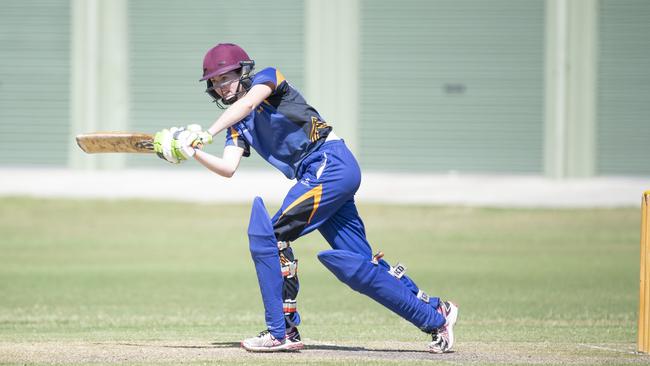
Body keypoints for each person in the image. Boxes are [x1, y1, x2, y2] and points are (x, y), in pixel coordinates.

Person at [153, 43, 458, 353]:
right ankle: (436, 315)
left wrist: (206, 133)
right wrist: (194, 152)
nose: (220, 87)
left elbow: (246, 106)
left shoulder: (269, 79)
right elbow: (228, 168)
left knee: (268, 238)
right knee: (359, 268)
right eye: (214, 83)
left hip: (329, 163)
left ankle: (282, 331)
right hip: (322, 176)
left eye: (225, 78)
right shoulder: (236, 125)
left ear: (244, 71)